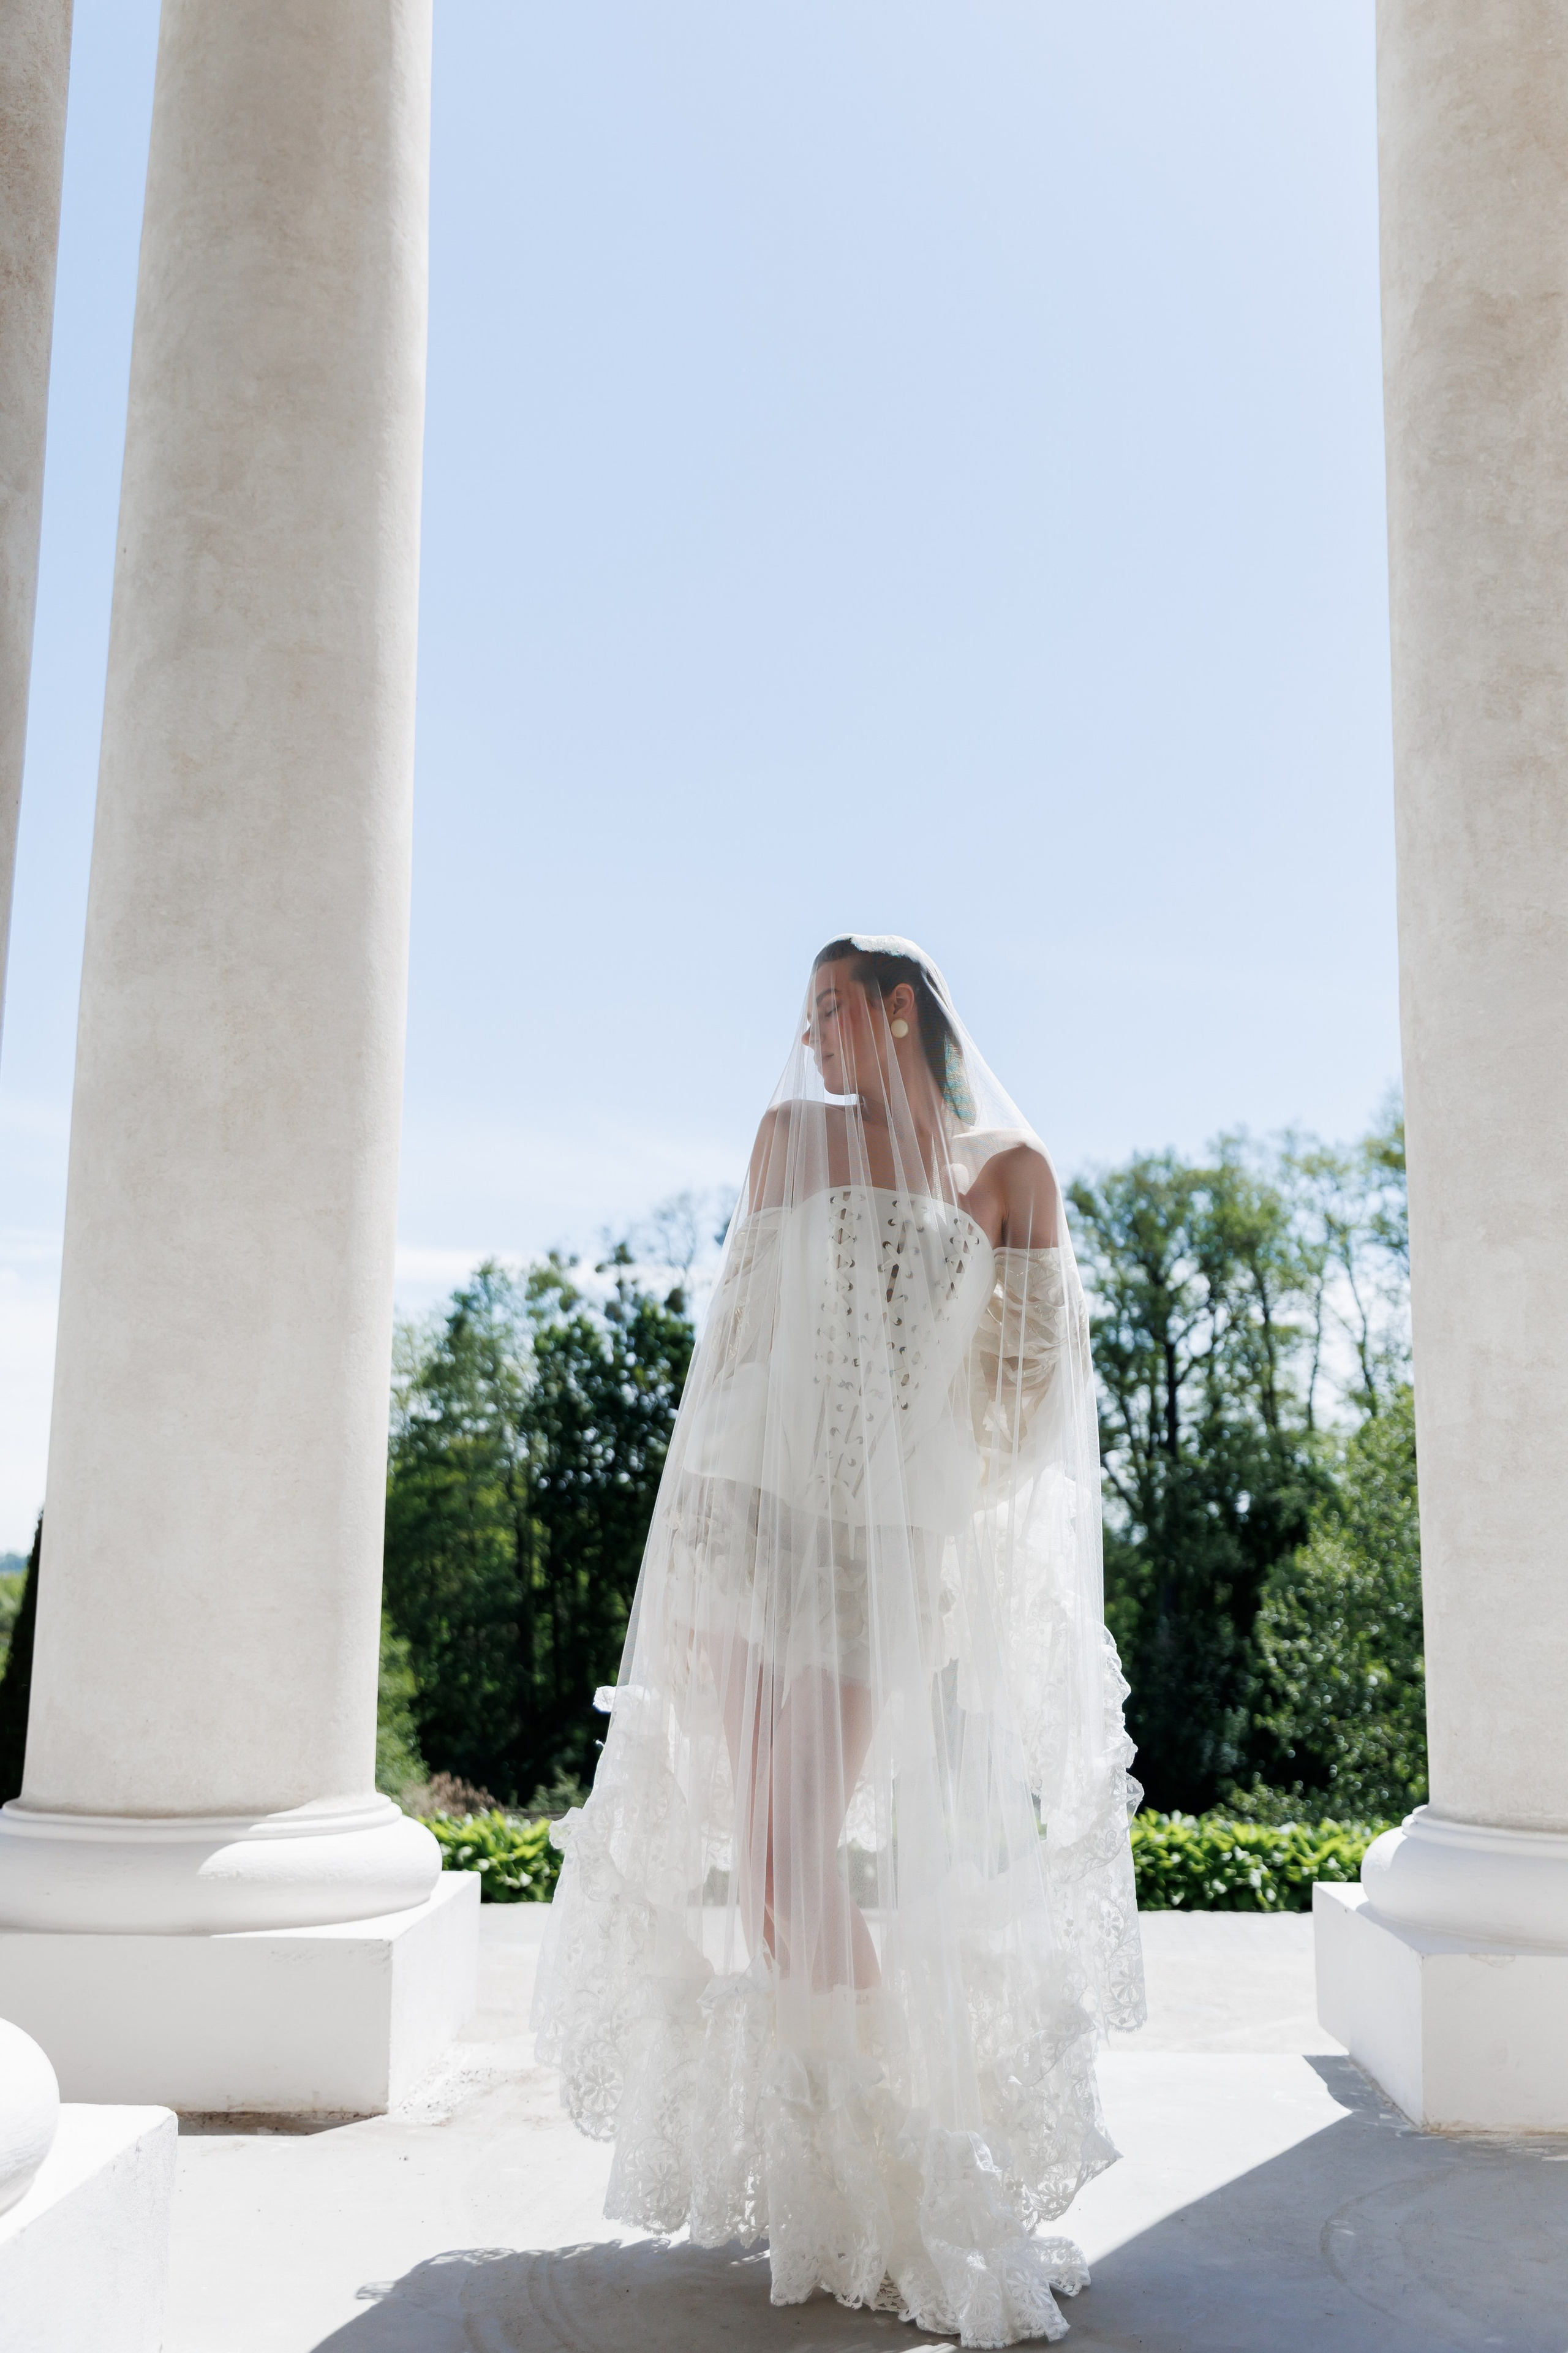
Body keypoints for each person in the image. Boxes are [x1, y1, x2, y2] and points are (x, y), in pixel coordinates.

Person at [532, 935, 1144, 2347]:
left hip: (877, 1555)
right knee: (766, 1861)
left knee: (793, 1849)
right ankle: (836, 2187)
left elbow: (1032, 1382)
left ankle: (910, 2175)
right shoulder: (786, 1140)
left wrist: (926, 1491)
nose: (806, 1037)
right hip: (745, 1524)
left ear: (896, 1008)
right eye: (798, 1014)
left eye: (826, 1010)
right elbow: (736, 1346)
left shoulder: (1008, 1174)